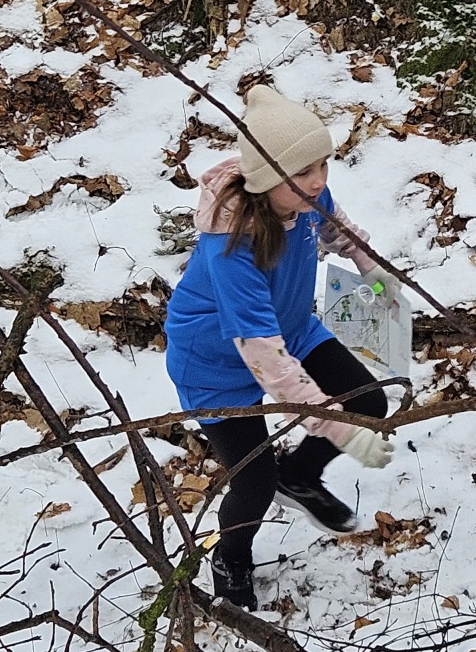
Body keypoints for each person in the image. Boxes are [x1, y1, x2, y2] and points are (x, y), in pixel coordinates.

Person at [164, 84, 395, 610]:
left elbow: (338, 229)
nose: (319, 181)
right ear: (267, 181)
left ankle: (300, 474)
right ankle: (231, 559)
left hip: (289, 328)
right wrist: (335, 428)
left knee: (367, 401)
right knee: (254, 484)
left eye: (323, 165)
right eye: (303, 172)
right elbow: (264, 357)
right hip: (216, 365)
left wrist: (375, 272)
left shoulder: (306, 198)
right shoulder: (231, 248)